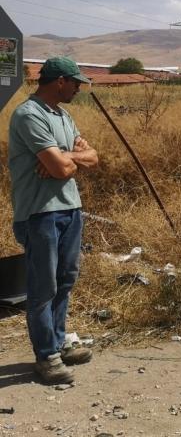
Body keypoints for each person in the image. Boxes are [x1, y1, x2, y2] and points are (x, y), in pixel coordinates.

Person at [8, 57, 99, 384]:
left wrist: (67, 157)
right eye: (75, 82)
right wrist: (67, 161)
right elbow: (62, 169)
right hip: (39, 213)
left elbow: (92, 157)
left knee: (65, 280)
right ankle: (46, 357)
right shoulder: (28, 115)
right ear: (59, 81)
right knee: (43, 287)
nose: (78, 88)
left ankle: (58, 342)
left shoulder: (63, 115)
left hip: (69, 208)